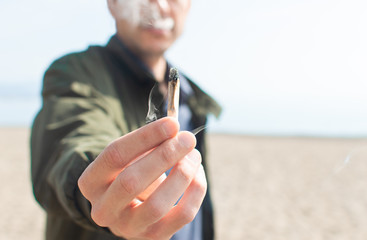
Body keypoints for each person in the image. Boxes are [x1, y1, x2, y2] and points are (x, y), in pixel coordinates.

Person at [30, 0, 221, 239]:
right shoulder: (76, 74)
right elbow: (73, 139)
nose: (160, 6)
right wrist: (103, 186)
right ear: (113, 4)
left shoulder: (192, 98)